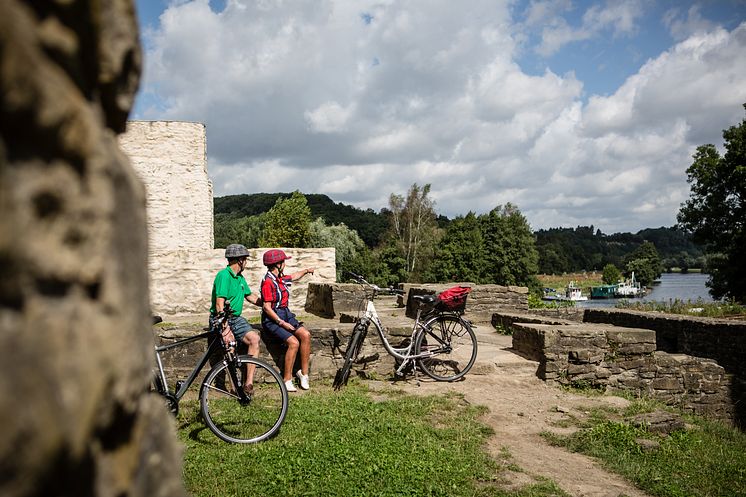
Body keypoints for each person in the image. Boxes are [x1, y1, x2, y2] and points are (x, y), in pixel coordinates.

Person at [209, 243, 262, 396]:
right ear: (240, 260)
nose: (246, 262)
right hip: (221, 318)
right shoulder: (223, 276)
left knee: (254, 339)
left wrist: (265, 303)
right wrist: (225, 329)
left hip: (236, 318)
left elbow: (250, 296)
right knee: (230, 344)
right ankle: (234, 388)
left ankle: (248, 384)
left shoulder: (240, 277)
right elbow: (220, 304)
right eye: (245, 259)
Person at [260, 249, 314, 392]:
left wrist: (306, 270)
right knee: (294, 343)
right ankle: (287, 379)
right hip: (272, 319)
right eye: (283, 261)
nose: (285, 263)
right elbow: (266, 308)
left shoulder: (281, 278)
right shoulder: (268, 282)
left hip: (286, 313)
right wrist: (281, 323)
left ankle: (304, 373)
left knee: (306, 335)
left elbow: (294, 276)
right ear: (277, 264)